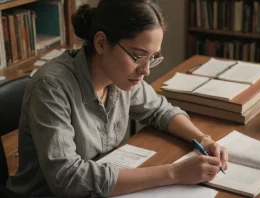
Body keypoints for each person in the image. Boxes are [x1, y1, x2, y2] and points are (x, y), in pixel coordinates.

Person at [7, 0, 228, 197]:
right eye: (138, 56)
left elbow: (160, 111)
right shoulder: (51, 87)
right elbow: (68, 179)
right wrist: (174, 172)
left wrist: (204, 139)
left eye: (153, 57)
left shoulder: (121, 78)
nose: (146, 70)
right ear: (101, 43)